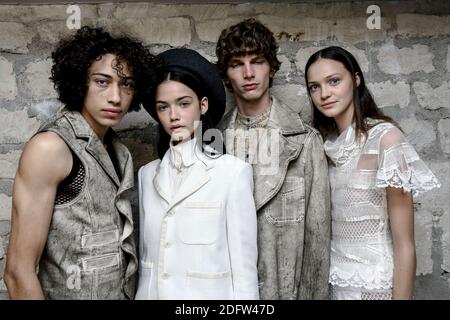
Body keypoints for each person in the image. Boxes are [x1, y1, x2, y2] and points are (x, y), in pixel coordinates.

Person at [4, 26, 161, 299]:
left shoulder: (118, 151)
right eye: (102, 81)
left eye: (126, 85)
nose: (116, 97)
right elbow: (18, 272)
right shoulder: (52, 147)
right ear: (80, 82)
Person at [304, 46, 441, 300]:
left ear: (356, 79)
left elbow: (405, 244)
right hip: (336, 286)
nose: (324, 94)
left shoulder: (385, 140)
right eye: (314, 87)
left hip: (376, 288)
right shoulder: (322, 145)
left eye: (334, 81)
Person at [216, 18, 331, 300]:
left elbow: (317, 242)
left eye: (257, 61)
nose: (248, 73)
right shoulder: (213, 145)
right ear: (226, 75)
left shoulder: (304, 141)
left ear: (272, 67)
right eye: (236, 64)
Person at [136, 48, 259, 300]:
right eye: (163, 107)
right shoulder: (146, 176)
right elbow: (147, 261)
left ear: (203, 105)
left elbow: (245, 273)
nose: (173, 116)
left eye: (183, 104)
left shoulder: (232, 174)